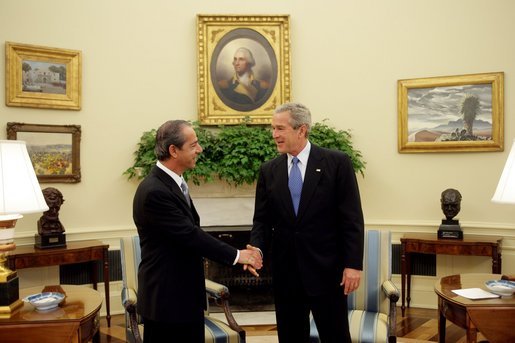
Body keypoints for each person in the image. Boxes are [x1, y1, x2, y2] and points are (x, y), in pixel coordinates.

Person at [132, 120, 262, 343]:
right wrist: (239, 256)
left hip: (183, 297)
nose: (199, 150)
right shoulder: (155, 191)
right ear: (173, 150)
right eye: (193, 145)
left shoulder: (173, 182)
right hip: (167, 301)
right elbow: (190, 235)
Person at [248, 102, 365, 343]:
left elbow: (352, 219)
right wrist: (257, 249)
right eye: (273, 128)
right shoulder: (269, 170)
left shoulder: (337, 163)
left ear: (301, 130)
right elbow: (261, 220)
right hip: (286, 274)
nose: (274, 135)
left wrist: (353, 265)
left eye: (280, 128)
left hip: (327, 273)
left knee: (335, 337)